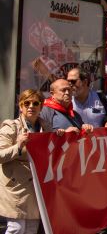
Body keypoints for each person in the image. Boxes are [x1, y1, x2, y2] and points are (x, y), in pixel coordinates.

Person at [0, 90, 47, 234]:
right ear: (20, 107)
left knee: (32, 230)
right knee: (16, 229)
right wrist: (18, 146)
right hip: (16, 188)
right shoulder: (11, 126)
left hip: (36, 188)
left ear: (41, 107)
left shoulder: (46, 127)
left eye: (35, 103)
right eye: (26, 103)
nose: (31, 106)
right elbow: (0, 155)